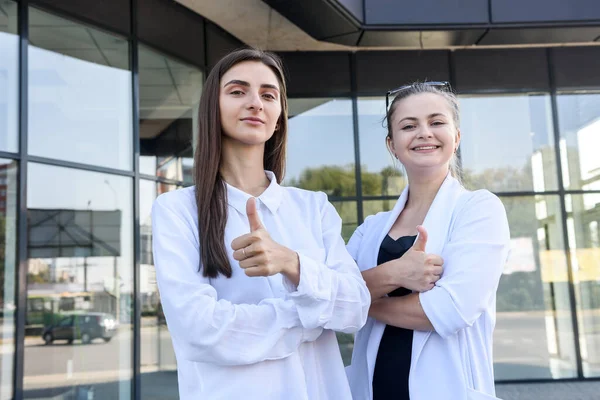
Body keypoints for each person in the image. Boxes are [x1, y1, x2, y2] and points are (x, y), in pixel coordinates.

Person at [151, 48, 370, 400]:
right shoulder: (177, 210)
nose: (256, 103)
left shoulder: (313, 207)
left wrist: (293, 264)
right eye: (238, 91)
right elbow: (200, 329)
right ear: (213, 108)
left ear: (280, 116)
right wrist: (308, 314)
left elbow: (356, 308)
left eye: (269, 95)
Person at [345, 82, 510, 400]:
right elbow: (330, 292)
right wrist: (396, 274)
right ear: (392, 145)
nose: (424, 133)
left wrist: (357, 302)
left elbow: (447, 311)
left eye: (436, 122)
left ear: (457, 137)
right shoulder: (371, 228)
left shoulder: (479, 209)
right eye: (409, 126)